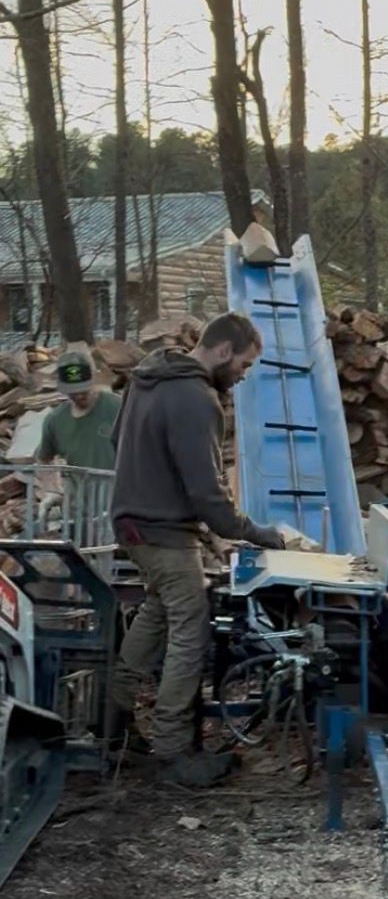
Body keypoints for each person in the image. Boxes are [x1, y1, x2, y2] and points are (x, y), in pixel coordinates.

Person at [109, 312, 285, 788]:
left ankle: (113, 722)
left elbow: (114, 440)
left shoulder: (148, 374)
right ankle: (172, 753)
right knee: (192, 623)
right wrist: (252, 531)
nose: (244, 376)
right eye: (245, 365)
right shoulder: (196, 397)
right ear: (224, 350)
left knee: (159, 608)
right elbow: (207, 492)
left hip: (131, 520)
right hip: (162, 529)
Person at [37, 349, 121, 470]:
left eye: (84, 390)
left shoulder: (118, 408)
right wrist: (51, 480)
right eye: (73, 392)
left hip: (114, 485)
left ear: (93, 377)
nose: (79, 396)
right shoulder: (55, 420)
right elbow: (43, 459)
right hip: (77, 486)